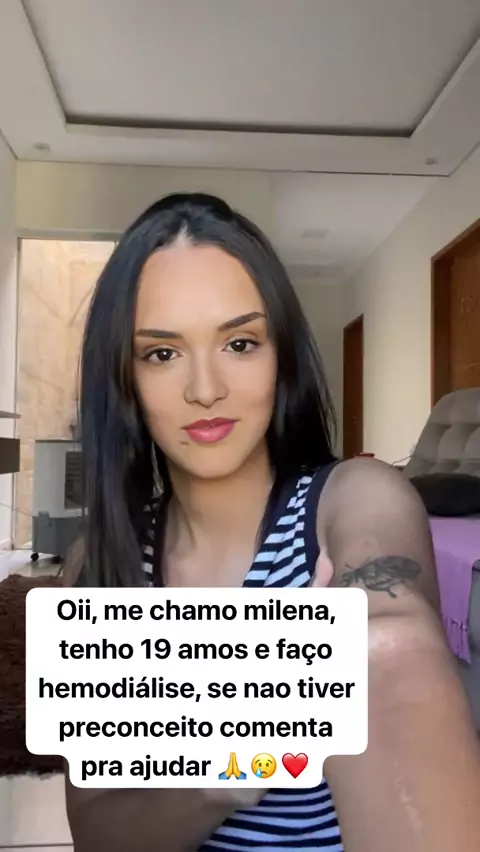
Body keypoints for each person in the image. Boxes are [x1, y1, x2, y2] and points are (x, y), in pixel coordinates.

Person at [64, 193, 480, 852]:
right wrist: (239, 754)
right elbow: (99, 833)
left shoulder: (356, 500)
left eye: (239, 343)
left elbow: (388, 645)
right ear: (124, 379)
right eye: (162, 354)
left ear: (279, 355)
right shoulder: (103, 564)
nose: (206, 388)